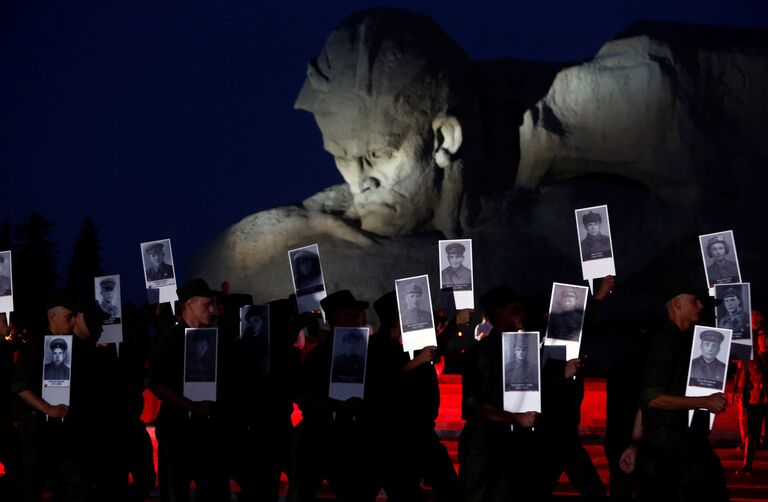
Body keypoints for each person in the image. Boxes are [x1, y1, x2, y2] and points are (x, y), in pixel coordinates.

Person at [634, 279, 729, 501]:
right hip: (664, 452)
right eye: (695, 301)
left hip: (682, 447)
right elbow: (652, 398)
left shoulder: (684, 341)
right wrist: (704, 401)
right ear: (677, 304)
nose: (701, 306)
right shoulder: (664, 342)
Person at [365, 291, 459, 502]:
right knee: (405, 492)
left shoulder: (412, 343)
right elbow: (382, 383)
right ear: (396, 317)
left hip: (422, 432)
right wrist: (418, 362)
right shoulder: (376, 346)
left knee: (450, 488)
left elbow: (435, 348)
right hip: (395, 438)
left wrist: (454, 323)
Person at [289, 289, 376, 502]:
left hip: (351, 439)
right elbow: (302, 396)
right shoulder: (316, 357)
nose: (359, 320)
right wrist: (338, 406)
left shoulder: (366, 355)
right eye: (353, 314)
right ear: (337, 317)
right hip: (317, 438)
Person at [148, 278, 229, 502]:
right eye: (206, 305)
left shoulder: (214, 338)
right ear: (189, 304)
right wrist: (191, 405)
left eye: (213, 305)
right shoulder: (169, 338)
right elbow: (156, 382)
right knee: (175, 492)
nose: (212, 310)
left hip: (209, 431)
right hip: (177, 431)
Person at [459, 286, 539, 501]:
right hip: (484, 446)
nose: (522, 314)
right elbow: (476, 406)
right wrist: (517, 418)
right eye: (516, 309)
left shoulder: (521, 349)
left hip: (509, 445)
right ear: (499, 312)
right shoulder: (482, 353)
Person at [11, 290, 77, 502]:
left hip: (62, 431)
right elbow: (18, 385)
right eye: (69, 317)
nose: (73, 322)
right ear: (52, 317)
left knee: (64, 486)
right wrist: (47, 408)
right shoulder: (37, 345)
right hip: (36, 431)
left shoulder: (73, 345)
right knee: (32, 485)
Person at [736, 328, 768, 475]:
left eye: (767, 338)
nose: (765, 341)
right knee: (751, 435)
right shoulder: (751, 359)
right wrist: (744, 401)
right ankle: (747, 465)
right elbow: (744, 381)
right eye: (762, 339)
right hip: (755, 401)